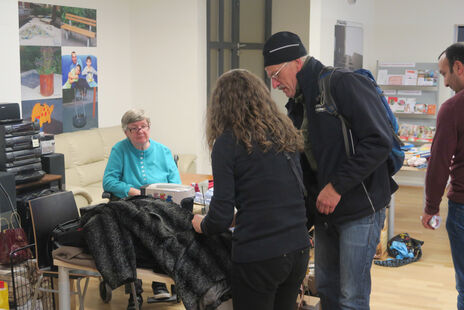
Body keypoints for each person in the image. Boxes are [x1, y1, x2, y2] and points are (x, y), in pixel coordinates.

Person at [262, 31, 397, 310]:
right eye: (270, 77)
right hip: (325, 215)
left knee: (351, 298)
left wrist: (336, 187)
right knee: (327, 291)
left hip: (360, 207)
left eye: (276, 74)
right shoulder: (299, 103)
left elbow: (379, 140)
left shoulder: (342, 84)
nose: (274, 84)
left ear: (297, 63)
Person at [191, 69, 310, 310]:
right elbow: (276, 196)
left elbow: (220, 217)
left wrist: (200, 224)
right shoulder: (284, 131)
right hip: (297, 248)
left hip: (260, 255)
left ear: (222, 106)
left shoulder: (228, 142)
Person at [103, 109, 181, 309]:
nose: (140, 131)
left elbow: (176, 183)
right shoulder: (119, 150)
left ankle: (160, 281)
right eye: (134, 128)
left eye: (143, 126)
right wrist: (131, 190)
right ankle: (135, 290)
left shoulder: (163, 151)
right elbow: (109, 181)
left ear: (149, 127)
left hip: (160, 205)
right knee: (141, 230)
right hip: (131, 204)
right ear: (126, 132)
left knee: (165, 229)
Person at [421, 43, 464, 310]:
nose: (445, 82)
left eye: (445, 73)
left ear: (459, 67)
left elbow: (438, 163)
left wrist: (430, 208)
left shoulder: (452, 109)